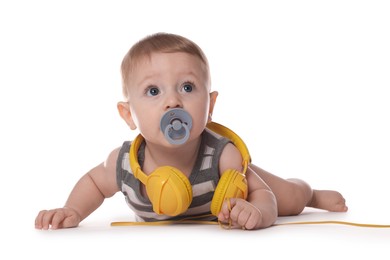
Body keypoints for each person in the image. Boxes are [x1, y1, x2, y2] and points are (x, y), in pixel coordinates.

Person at [35, 33, 348, 231]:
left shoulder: (223, 155)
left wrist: (259, 212)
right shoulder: (126, 164)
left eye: (187, 87)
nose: (173, 100)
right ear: (128, 114)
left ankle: (312, 193)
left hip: (235, 189)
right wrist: (72, 209)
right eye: (153, 90)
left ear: (209, 106)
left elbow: (263, 193)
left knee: (290, 199)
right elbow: (93, 182)